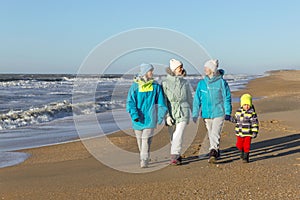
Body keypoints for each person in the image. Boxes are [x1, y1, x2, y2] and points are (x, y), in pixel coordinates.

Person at [126, 63, 168, 168]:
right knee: (142, 141)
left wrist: (160, 117)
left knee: (145, 139)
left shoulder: (156, 86)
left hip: (150, 118)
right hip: (138, 119)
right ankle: (145, 156)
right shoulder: (135, 86)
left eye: (152, 71)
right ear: (144, 72)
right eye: (150, 71)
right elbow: (130, 102)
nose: (152, 73)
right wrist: (134, 115)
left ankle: (143, 160)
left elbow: (161, 103)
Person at [192, 59, 232, 164]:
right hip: (206, 113)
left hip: (219, 112)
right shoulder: (201, 84)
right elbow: (197, 99)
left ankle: (213, 151)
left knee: (215, 132)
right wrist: (195, 113)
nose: (205, 69)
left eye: (207, 67)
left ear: (212, 70)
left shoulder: (222, 83)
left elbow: (227, 98)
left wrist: (228, 112)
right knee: (210, 132)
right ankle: (216, 149)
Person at [162, 59, 193, 165]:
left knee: (179, 132)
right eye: (180, 67)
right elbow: (163, 101)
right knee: (173, 136)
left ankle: (174, 155)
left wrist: (194, 111)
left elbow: (189, 98)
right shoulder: (165, 83)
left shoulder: (185, 82)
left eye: (182, 67)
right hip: (171, 110)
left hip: (183, 110)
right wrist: (166, 116)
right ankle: (177, 155)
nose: (182, 69)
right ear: (174, 69)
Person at [229, 93, 259, 163]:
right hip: (239, 132)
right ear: (242, 105)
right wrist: (230, 118)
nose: (247, 106)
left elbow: (254, 123)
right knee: (239, 145)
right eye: (245, 105)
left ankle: (246, 157)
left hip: (248, 133)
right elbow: (236, 119)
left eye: (248, 105)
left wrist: (255, 131)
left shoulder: (252, 113)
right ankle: (242, 152)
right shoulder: (238, 111)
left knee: (246, 146)